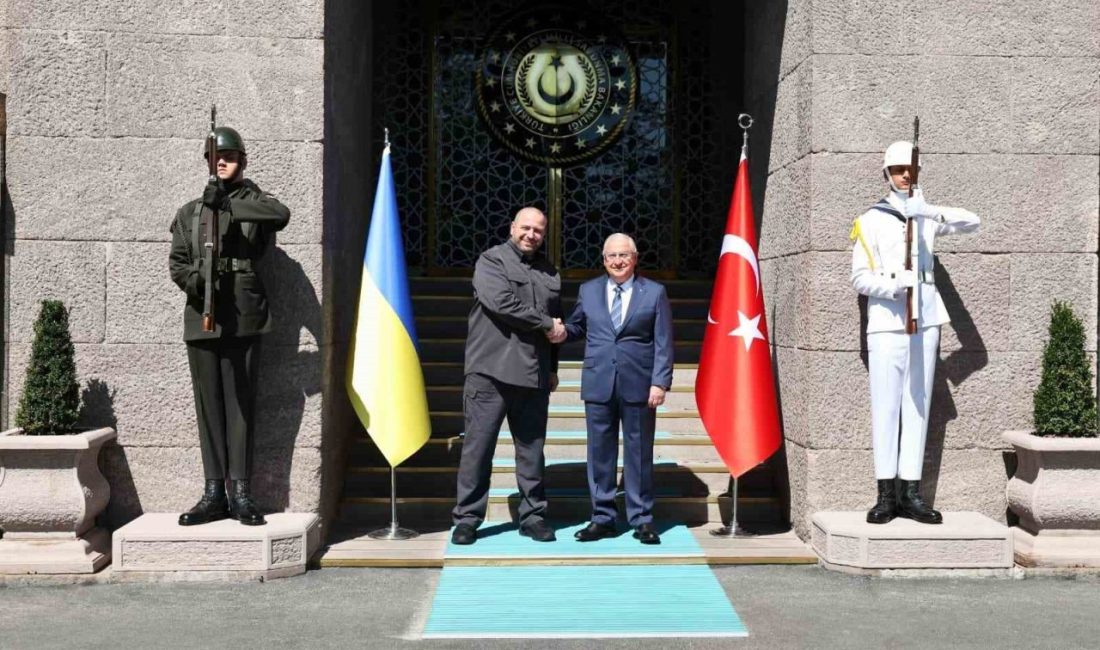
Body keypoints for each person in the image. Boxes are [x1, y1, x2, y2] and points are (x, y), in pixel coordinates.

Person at [850, 141, 979, 525]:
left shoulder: (924, 215)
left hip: (925, 321)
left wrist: (928, 211)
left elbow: (973, 222)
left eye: (911, 168)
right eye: (898, 169)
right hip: (887, 322)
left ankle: (911, 493)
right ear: (887, 174)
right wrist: (894, 284)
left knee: (918, 405)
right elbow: (859, 278)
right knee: (886, 407)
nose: (906, 175)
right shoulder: (870, 220)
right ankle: (885, 495)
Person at [169, 126, 290, 527]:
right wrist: (197, 281)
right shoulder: (190, 212)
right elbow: (178, 263)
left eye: (230, 156)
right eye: (215, 157)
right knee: (209, 407)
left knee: (240, 405)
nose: (221, 162)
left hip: (243, 314)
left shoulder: (254, 202)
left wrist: (228, 206)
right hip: (202, 315)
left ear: (242, 161)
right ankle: (213, 494)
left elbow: (280, 215)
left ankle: (241, 492)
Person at [450, 207, 564, 545]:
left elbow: (556, 324)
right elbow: (502, 303)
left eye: (538, 230)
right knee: (478, 449)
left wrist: (553, 367)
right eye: (525, 227)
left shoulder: (550, 271)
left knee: (532, 451)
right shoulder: (491, 261)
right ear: (512, 227)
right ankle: (468, 518)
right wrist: (546, 324)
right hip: (491, 372)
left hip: (533, 374)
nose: (531, 234)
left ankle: (533, 516)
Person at [561, 234, 673, 545]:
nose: (617, 261)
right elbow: (577, 326)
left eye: (624, 255)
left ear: (635, 258)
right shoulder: (588, 290)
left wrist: (660, 381)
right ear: (603, 259)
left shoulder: (654, 292)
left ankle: (642, 518)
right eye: (611, 255)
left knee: (639, 453)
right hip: (599, 383)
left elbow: (663, 341)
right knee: (599, 453)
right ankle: (602, 518)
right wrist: (559, 331)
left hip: (639, 385)